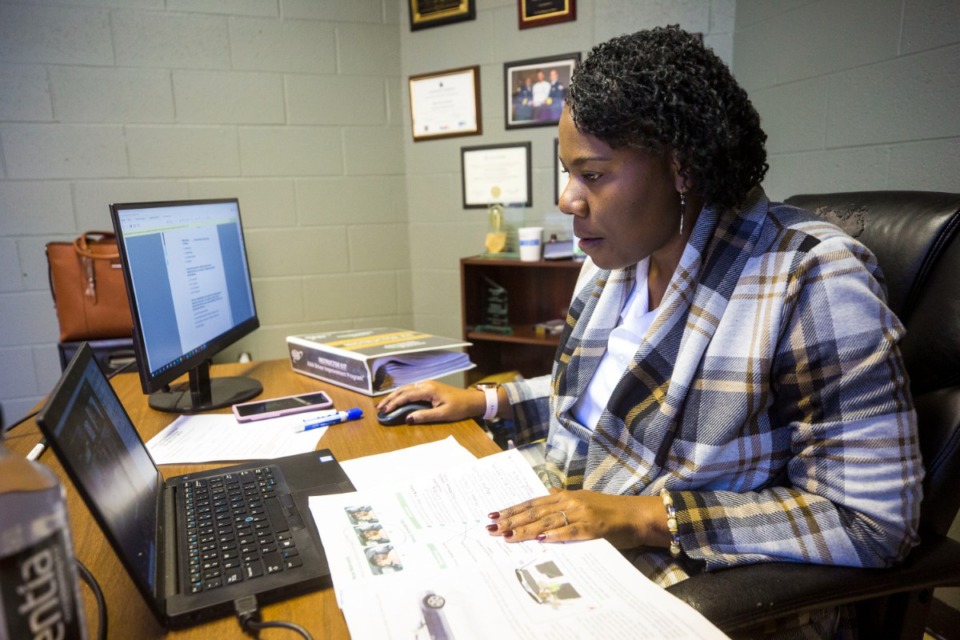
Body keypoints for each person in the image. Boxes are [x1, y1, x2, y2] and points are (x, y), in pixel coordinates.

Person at [378, 25, 922, 636]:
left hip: (701, 576)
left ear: (682, 168)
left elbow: (872, 521)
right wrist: (487, 399)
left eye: (594, 174)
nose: (567, 199)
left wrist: (641, 517)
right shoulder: (616, 262)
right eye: (567, 173)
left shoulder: (811, 278)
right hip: (570, 513)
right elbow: (604, 405)